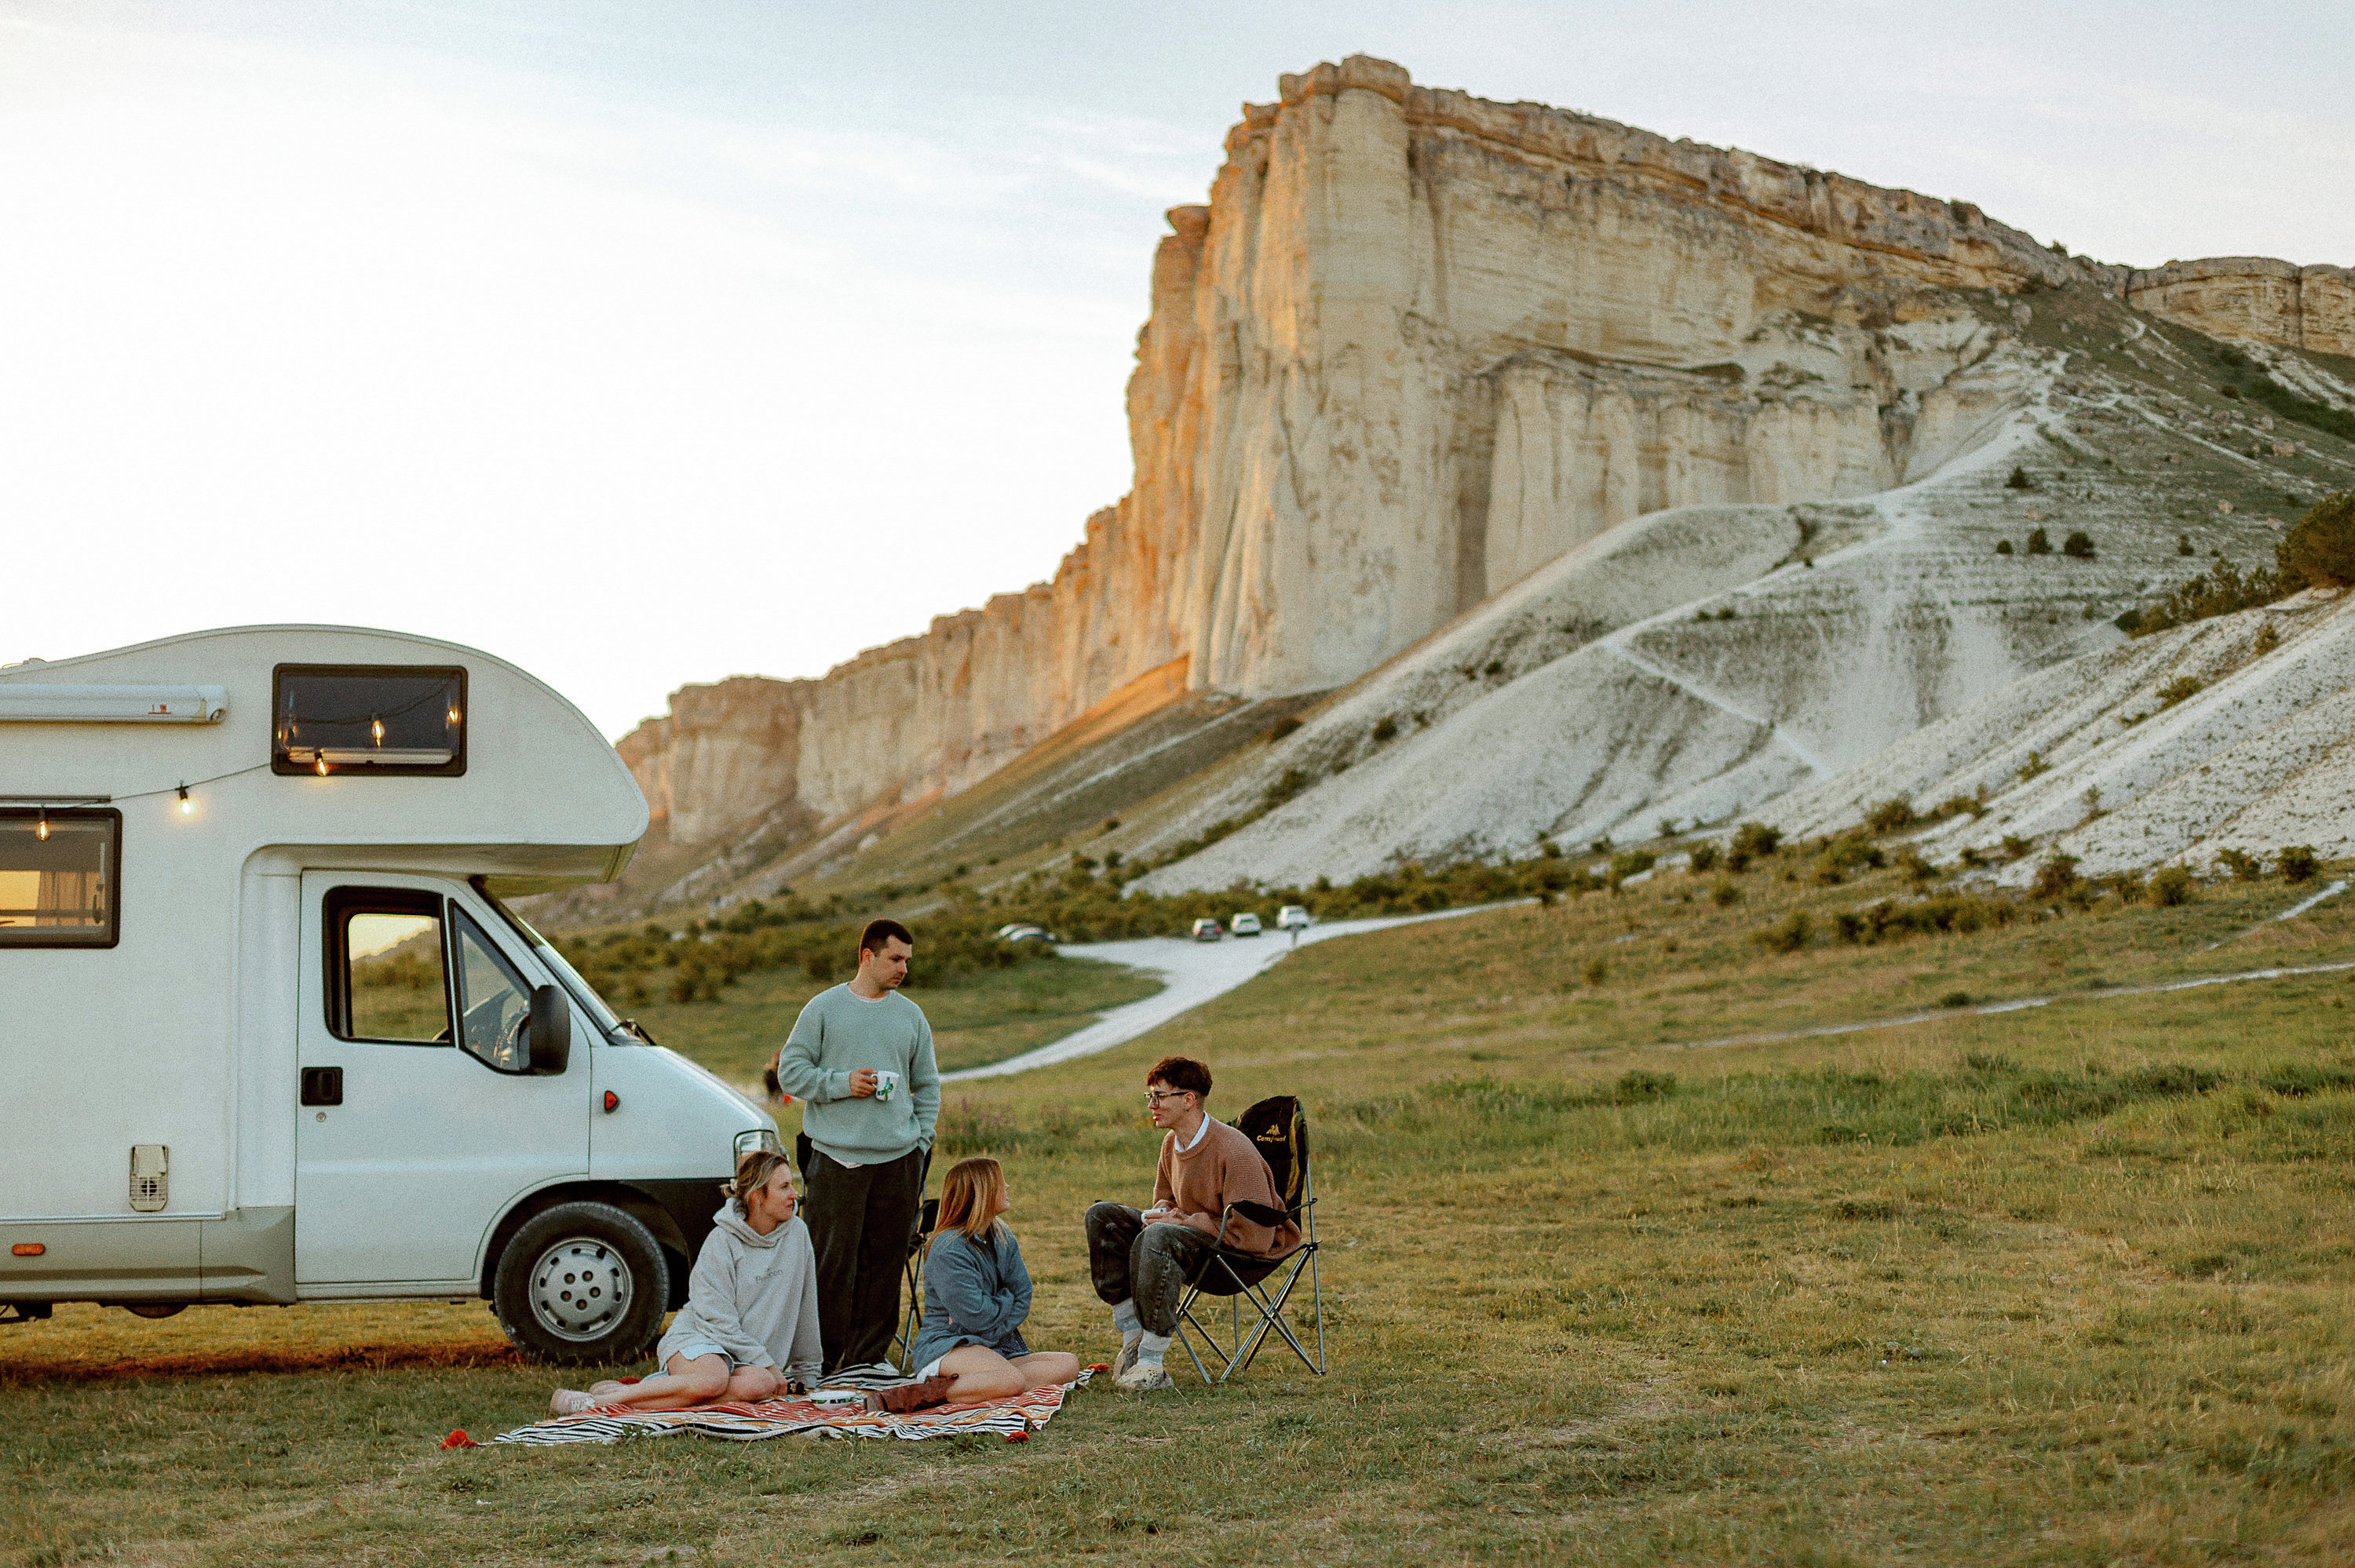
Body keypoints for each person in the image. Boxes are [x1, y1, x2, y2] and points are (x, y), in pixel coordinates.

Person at [770, 917, 941, 1373]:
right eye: (895, 958)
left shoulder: (910, 1015)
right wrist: (842, 1083)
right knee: (832, 1264)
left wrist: (921, 1141)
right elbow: (791, 1074)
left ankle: (868, 1360)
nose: (904, 967)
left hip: (899, 1159)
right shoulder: (823, 1009)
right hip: (835, 1157)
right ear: (868, 956)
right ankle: (820, 1360)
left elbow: (927, 1085)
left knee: (885, 1263)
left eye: (907, 960)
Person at [1085, 1056, 1299, 1392]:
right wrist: (1160, 1212)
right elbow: (1166, 1199)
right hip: (1186, 1242)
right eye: (1149, 1097)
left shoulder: (1234, 1150)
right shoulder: (1171, 1143)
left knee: (1159, 1235)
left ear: (1189, 1100)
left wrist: (1177, 1220)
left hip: (1235, 1256)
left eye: (1160, 1097)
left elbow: (1255, 1235)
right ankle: (1133, 1338)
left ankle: (1151, 1364)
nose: (1152, 1105)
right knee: (1103, 1216)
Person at [549, 1148, 820, 1415]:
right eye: (784, 1187)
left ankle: (638, 1393)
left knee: (760, 1384)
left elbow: (805, 1304)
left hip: (745, 1356)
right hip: (701, 1336)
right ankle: (593, 1404)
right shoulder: (722, 1241)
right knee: (713, 1380)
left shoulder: (797, 1234)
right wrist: (767, 1362)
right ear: (758, 1196)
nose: (794, 1195)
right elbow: (716, 1321)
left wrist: (806, 1372)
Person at [896, 1155, 1083, 1407]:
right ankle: (923, 1393)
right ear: (981, 1192)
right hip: (951, 1345)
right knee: (1010, 1380)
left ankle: (983, 1384)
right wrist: (1006, 1300)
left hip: (995, 1345)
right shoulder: (948, 1249)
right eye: (1000, 1182)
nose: (1007, 1187)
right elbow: (976, 1316)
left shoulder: (1001, 1235)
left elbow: (1023, 1294)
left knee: (1067, 1363)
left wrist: (1000, 1306)